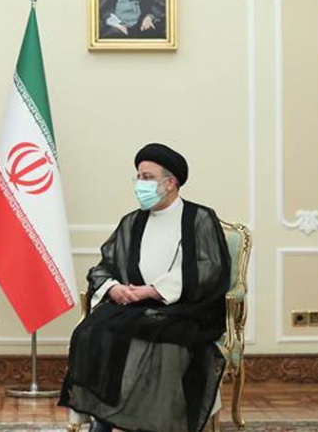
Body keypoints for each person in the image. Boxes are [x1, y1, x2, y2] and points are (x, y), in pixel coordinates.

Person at [59, 143, 230, 432]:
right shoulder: (132, 222)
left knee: (167, 340)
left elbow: (208, 267)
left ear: (170, 183)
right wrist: (114, 288)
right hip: (134, 305)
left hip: (184, 308)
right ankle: (102, 419)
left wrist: (152, 290)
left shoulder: (199, 218)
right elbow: (104, 265)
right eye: (138, 177)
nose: (141, 184)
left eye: (148, 177)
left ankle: (158, 423)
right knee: (92, 330)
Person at [99, 0, 166, 39]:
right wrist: (117, 24)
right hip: (116, 28)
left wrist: (149, 17)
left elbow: (158, 6)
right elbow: (103, 11)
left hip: (141, 27)